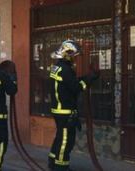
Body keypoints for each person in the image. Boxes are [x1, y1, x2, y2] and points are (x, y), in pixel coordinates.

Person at [48, 40, 100, 171]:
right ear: (67, 54)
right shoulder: (65, 70)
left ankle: (52, 162)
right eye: (74, 56)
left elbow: (71, 82)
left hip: (58, 110)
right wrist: (91, 79)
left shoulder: (57, 67)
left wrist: (87, 77)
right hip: (65, 112)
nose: (75, 59)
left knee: (60, 138)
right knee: (66, 142)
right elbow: (76, 87)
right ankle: (60, 167)